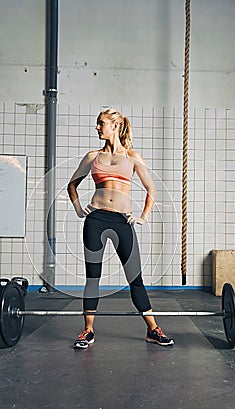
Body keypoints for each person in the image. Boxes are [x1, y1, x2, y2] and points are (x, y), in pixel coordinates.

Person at [67, 108, 174, 349]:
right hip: (95, 220)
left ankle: (153, 329)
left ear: (115, 126)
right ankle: (88, 330)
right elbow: (72, 185)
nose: (97, 127)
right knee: (92, 278)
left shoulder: (133, 157)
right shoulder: (92, 157)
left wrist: (143, 217)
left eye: (101, 123)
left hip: (122, 222)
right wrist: (77, 208)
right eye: (97, 124)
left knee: (135, 278)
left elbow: (152, 189)